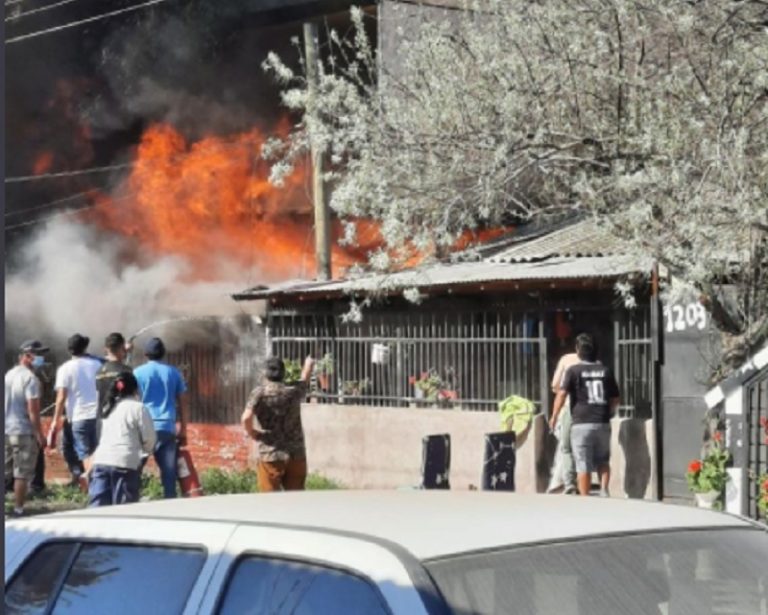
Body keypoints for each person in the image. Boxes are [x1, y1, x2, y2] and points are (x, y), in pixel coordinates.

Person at [549, 333, 620, 497]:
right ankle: (604, 489)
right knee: (603, 459)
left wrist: (554, 415)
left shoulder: (573, 371)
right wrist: (608, 413)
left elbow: (561, 394)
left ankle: (584, 497)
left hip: (581, 422)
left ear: (578, 351)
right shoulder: (605, 370)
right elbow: (616, 398)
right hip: (602, 421)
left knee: (583, 463)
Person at [241, 355, 314, 492]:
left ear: (265, 373)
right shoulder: (294, 391)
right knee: (296, 500)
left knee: (270, 502)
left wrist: (252, 432)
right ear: (283, 373)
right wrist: (308, 364)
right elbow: (305, 378)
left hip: (270, 454)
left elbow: (246, 418)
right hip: (296, 454)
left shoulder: (259, 393)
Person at [88, 372, 156, 507]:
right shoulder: (138, 408)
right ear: (135, 389)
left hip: (101, 460)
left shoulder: (108, 407)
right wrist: (145, 450)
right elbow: (149, 438)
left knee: (98, 509)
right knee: (123, 510)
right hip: (125, 463)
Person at [133, 337, 188, 499]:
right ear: (163, 353)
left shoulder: (137, 373)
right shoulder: (173, 373)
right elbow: (183, 402)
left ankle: (130, 500)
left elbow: (132, 400)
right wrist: (183, 429)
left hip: (144, 427)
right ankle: (169, 502)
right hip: (166, 427)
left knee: (135, 469)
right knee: (169, 471)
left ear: (145, 354)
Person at [52, 334, 103, 487]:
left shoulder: (65, 368)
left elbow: (61, 397)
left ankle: (93, 488)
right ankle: (89, 482)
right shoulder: (97, 365)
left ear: (69, 350)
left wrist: (55, 420)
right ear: (85, 347)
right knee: (94, 452)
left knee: (85, 454)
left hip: (78, 417)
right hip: (97, 416)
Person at [5, 340, 48, 517]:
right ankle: (18, 509)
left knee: (6, 471)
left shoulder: (9, 375)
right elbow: (33, 410)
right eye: (38, 354)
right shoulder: (31, 379)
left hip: (7, 429)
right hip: (23, 431)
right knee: (21, 473)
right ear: (28, 356)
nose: (41, 358)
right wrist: (39, 434)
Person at [547, 349, 580, 495]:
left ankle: (560, 482)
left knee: (565, 447)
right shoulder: (596, 363)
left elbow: (555, 386)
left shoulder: (566, 359)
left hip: (568, 408)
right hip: (591, 413)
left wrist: (554, 415)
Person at [95, 332, 132, 416]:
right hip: (120, 417)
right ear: (122, 348)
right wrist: (128, 354)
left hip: (103, 417)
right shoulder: (126, 371)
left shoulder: (99, 371)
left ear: (106, 349)